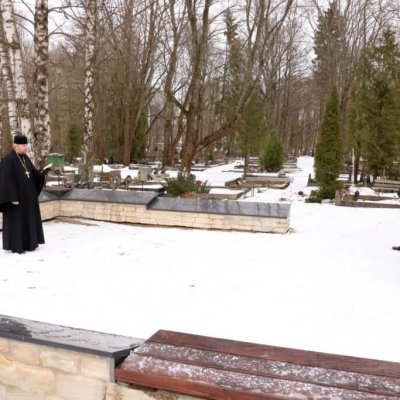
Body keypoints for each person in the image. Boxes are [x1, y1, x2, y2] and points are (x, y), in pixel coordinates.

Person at [0, 134, 48, 254]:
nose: (26, 147)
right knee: (17, 222)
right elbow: (7, 180)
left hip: (28, 198)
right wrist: (13, 197)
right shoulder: (8, 160)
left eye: (26, 145)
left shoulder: (25, 158)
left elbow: (33, 173)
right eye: (24, 145)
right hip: (17, 198)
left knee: (27, 220)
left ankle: (29, 243)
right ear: (16, 145)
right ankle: (17, 245)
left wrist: (42, 173)